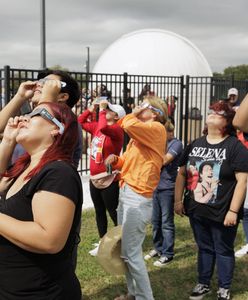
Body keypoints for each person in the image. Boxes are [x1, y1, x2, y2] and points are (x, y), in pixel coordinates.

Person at [0, 102, 83, 299]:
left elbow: (49, 239)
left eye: (37, 113)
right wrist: (8, 141)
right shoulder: (25, 167)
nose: (25, 117)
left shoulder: (58, 173)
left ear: (56, 128)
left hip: (41, 292)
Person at [175, 100, 248, 300]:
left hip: (223, 212)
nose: (213, 114)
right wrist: (178, 201)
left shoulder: (235, 147)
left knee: (223, 250)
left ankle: (224, 287)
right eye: (212, 111)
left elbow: (242, 181)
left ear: (228, 121)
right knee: (204, 248)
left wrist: (233, 211)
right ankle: (203, 283)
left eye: (219, 113)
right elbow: (181, 173)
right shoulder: (195, 143)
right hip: (197, 210)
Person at [105, 96, 168, 300]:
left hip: (137, 197)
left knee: (131, 253)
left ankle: (144, 297)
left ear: (155, 113)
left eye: (145, 105)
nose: (140, 108)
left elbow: (127, 122)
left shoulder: (156, 129)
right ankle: (133, 293)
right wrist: (117, 162)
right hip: (128, 191)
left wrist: (134, 111)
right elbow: (129, 162)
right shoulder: (141, 134)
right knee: (126, 251)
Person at [78, 98, 125, 256]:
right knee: (99, 211)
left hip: (108, 177)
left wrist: (102, 110)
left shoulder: (117, 130)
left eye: (110, 110)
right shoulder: (99, 126)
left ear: (117, 116)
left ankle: (123, 240)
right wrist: (91, 109)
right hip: (94, 177)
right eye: (107, 109)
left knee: (112, 211)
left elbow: (104, 127)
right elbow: (80, 121)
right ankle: (102, 241)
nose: (106, 111)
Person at [144, 121, 183, 267]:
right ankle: (158, 248)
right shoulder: (158, 143)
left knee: (166, 222)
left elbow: (164, 160)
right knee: (155, 222)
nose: (171, 134)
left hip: (167, 188)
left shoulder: (176, 144)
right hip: (155, 187)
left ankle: (168, 253)